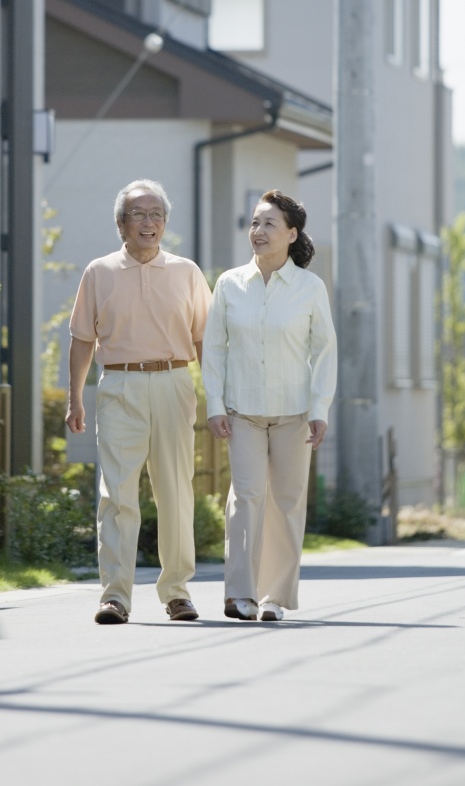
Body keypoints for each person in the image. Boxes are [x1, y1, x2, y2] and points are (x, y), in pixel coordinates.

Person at [66, 178, 211, 625]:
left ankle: (177, 592)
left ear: (166, 222)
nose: (148, 223)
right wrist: (75, 398)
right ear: (120, 223)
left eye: (156, 215)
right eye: (138, 215)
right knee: (117, 495)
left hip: (173, 382)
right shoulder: (99, 271)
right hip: (119, 385)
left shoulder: (187, 271)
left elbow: (205, 340)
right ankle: (115, 596)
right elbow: (81, 340)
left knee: (175, 491)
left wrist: (220, 399)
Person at [202, 190, 337, 622]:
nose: (258, 232)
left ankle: (274, 598)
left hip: (294, 414)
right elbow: (214, 350)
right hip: (242, 412)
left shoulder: (309, 288)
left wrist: (320, 409)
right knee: (246, 497)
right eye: (255, 223)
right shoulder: (228, 283)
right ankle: (239, 593)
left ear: (291, 234)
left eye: (269, 224)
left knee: (287, 501)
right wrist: (215, 404)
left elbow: (325, 352)